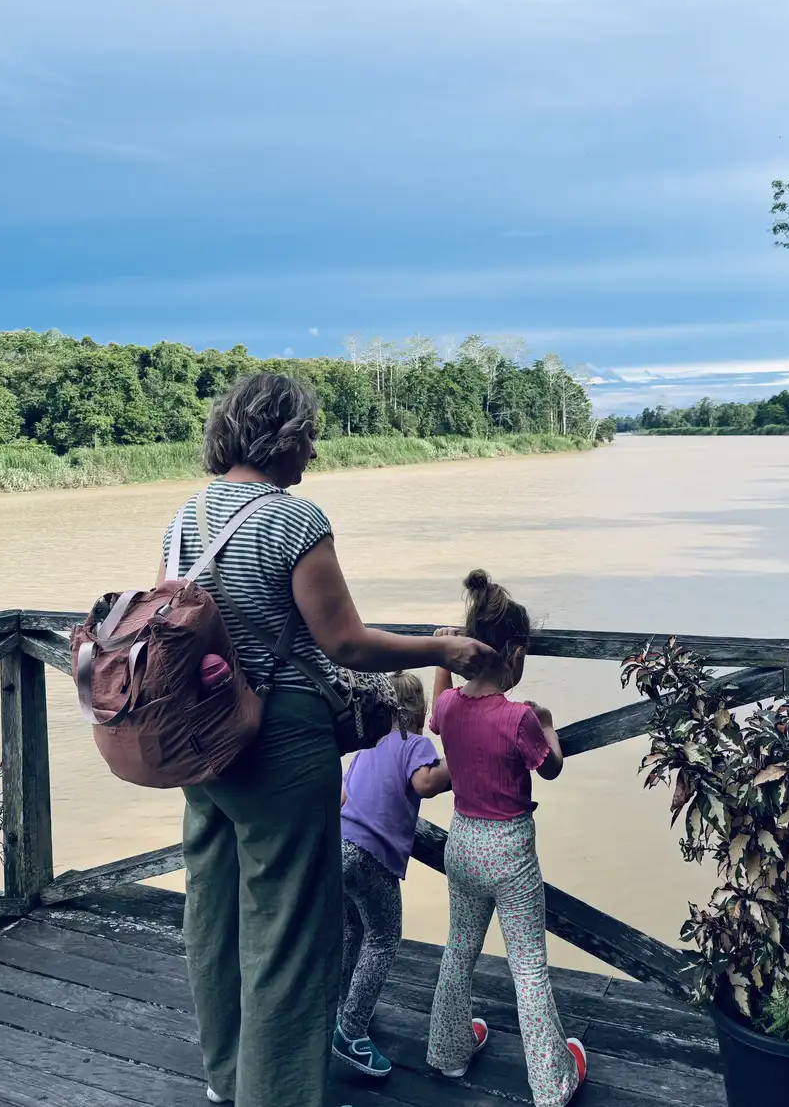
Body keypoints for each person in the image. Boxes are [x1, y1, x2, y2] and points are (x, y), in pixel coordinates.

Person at [158, 373, 496, 1107]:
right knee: (290, 931)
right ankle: (275, 1095)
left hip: (200, 738)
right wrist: (442, 652)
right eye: (308, 430)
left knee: (213, 911)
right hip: (278, 742)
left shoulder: (186, 516)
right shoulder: (293, 519)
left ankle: (228, 1078)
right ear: (281, 435)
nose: (313, 444)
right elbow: (346, 643)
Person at [426, 570, 587, 1107]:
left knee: (459, 951)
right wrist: (549, 725)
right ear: (514, 653)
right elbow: (552, 768)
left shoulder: (450, 708)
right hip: (510, 851)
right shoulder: (518, 718)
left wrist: (440, 659)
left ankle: (447, 1053)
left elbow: (434, 713)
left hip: (462, 842)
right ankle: (551, 1082)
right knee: (528, 966)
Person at [334, 670, 451, 1077]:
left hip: (338, 846)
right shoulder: (414, 743)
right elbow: (425, 784)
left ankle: (340, 1006)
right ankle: (351, 1031)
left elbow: (345, 793)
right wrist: (461, 759)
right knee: (383, 939)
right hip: (371, 857)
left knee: (352, 931)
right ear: (417, 712)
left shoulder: (367, 745)